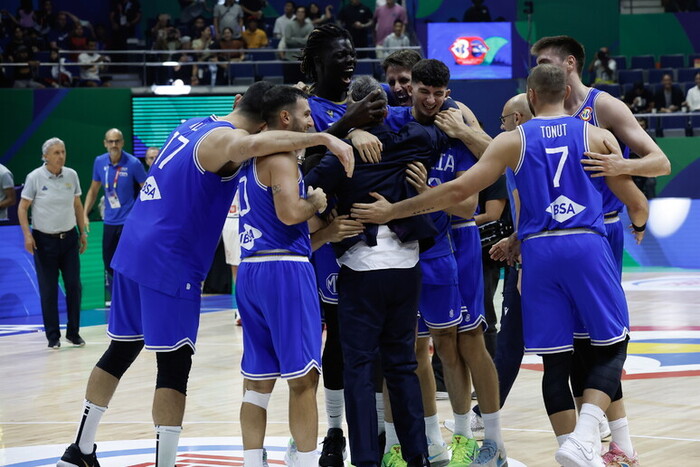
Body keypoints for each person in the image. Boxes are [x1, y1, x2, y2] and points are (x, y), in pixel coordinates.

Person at [351, 63, 648, 467]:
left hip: (538, 253)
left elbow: (459, 190)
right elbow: (636, 203)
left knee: (555, 362)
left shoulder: (513, 140)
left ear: (530, 94)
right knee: (612, 347)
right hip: (585, 245)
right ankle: (585, 436)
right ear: (567, 94)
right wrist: (640, 224)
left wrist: (392, 211)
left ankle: (578, 451)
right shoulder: (596, 135)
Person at [56, 81, 354, 467]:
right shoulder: (227, 139)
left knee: (121, 349)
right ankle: (164, 464)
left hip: (133, 243)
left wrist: (288, 100)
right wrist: (327, 140)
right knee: (174, 363)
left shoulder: (192, 124)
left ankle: (80, 448)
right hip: (171, 258)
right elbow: (245, 148)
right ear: (269, 125)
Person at [531, 36, 664, 465]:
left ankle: (618, 442)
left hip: (600, 234)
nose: (539, 69)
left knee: (602, 344)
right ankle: (598, 444)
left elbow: (659, 161)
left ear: (569, 65)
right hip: (551, 238)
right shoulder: (533, 109)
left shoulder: (603, 108)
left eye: (546, 62)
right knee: (569, 349)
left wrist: (622, 166)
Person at [306, 75, 445, 467]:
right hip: (406, 268)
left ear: (352, 109)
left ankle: (366, 459)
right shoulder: (415, 140)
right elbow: (436, 131)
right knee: (402, 366)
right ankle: (416, 455)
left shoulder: (344, 154)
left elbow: (307, 185)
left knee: (360, 371)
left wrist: (344, 138)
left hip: (362, 270)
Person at [297, 23, 387, 466]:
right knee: (336, 337)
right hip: (331, 236)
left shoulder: (370, 99)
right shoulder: (302, 106)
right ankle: (334, 431)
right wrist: (349, 126)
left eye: (353, 53)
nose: (350, 61)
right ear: (316, 63)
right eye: (339, 55)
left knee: (373, 339)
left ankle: (374, 428)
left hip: (375, 234)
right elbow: (305, 163)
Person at [236, 85, 327, 467]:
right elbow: (291, 213)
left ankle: (253, 462)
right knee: (304, 379)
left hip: (250, 270)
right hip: (284, 271)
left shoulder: (246, 157)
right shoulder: (282, 158)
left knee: (256, 386)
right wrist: (316, 203)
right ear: (285, 119)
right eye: (305, 114)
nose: (311, 121)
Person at [17, 138, 87, 349]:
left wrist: (82, 232)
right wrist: (27, 235)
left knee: (74, 286)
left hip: (69, 239)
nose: (61, 156)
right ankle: (53, 336)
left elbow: (77, 204)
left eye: (63, 152)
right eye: (56, 152)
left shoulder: (71, 175)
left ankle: (73, 333)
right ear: (45, 156)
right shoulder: (35, 178)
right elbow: (22, 208)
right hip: (44, 241)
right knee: (49, 290)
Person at [82, 128, 148, 307]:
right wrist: (84, 215)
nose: (114, 145)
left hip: (128, 221)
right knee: (108, 261)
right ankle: (121, 293)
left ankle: (131, 296)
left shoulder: (133, 163)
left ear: (123, 142)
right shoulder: (99, 162)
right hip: (109, 221)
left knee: (128, 260)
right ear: (105, 143)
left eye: (117, 141)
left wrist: (145, 215)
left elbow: (147, 189)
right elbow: (93, 190)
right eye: (110, 141)